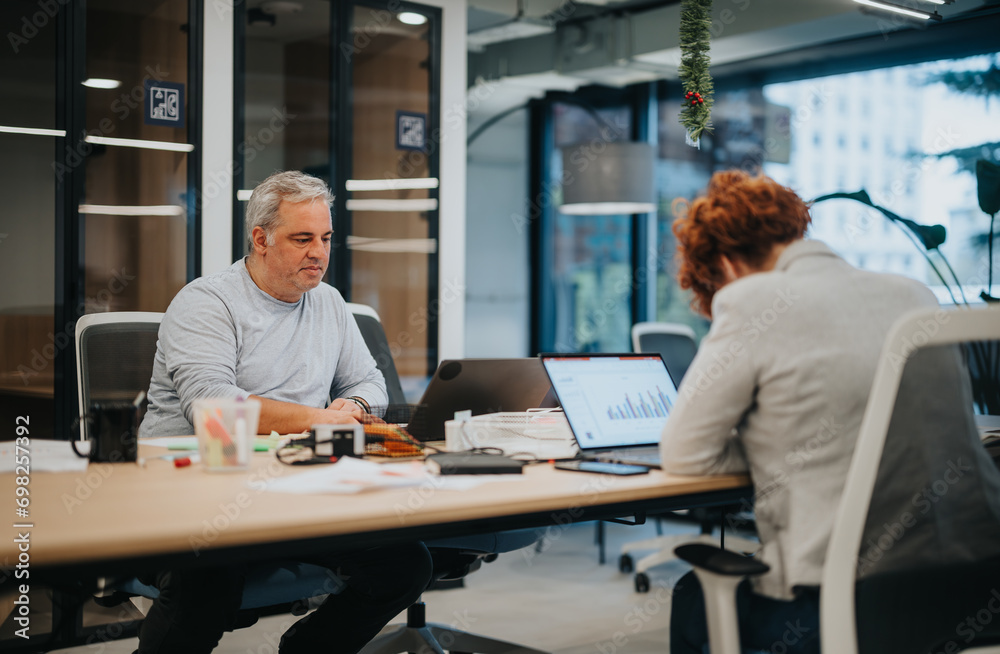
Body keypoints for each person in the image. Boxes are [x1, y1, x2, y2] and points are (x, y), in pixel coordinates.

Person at [137, 170, 433, 654]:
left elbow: (369, 382)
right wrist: (320, 419)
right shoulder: (206, 303)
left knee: (404, 565)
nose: (319, 252)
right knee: (208, 581)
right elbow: (212, 407)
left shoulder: (330, 303)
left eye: (326, 238)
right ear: (261, 239)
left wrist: (353, 405)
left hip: (293, 489)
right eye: (302, 239)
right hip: (196, 492)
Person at [660, 170, 941, 654]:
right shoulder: (912, 293)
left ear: (725, 265)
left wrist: (769, 446)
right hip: (947, 591)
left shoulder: (754, 299)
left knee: (692, 598)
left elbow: (686, 454)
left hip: (830, 612)